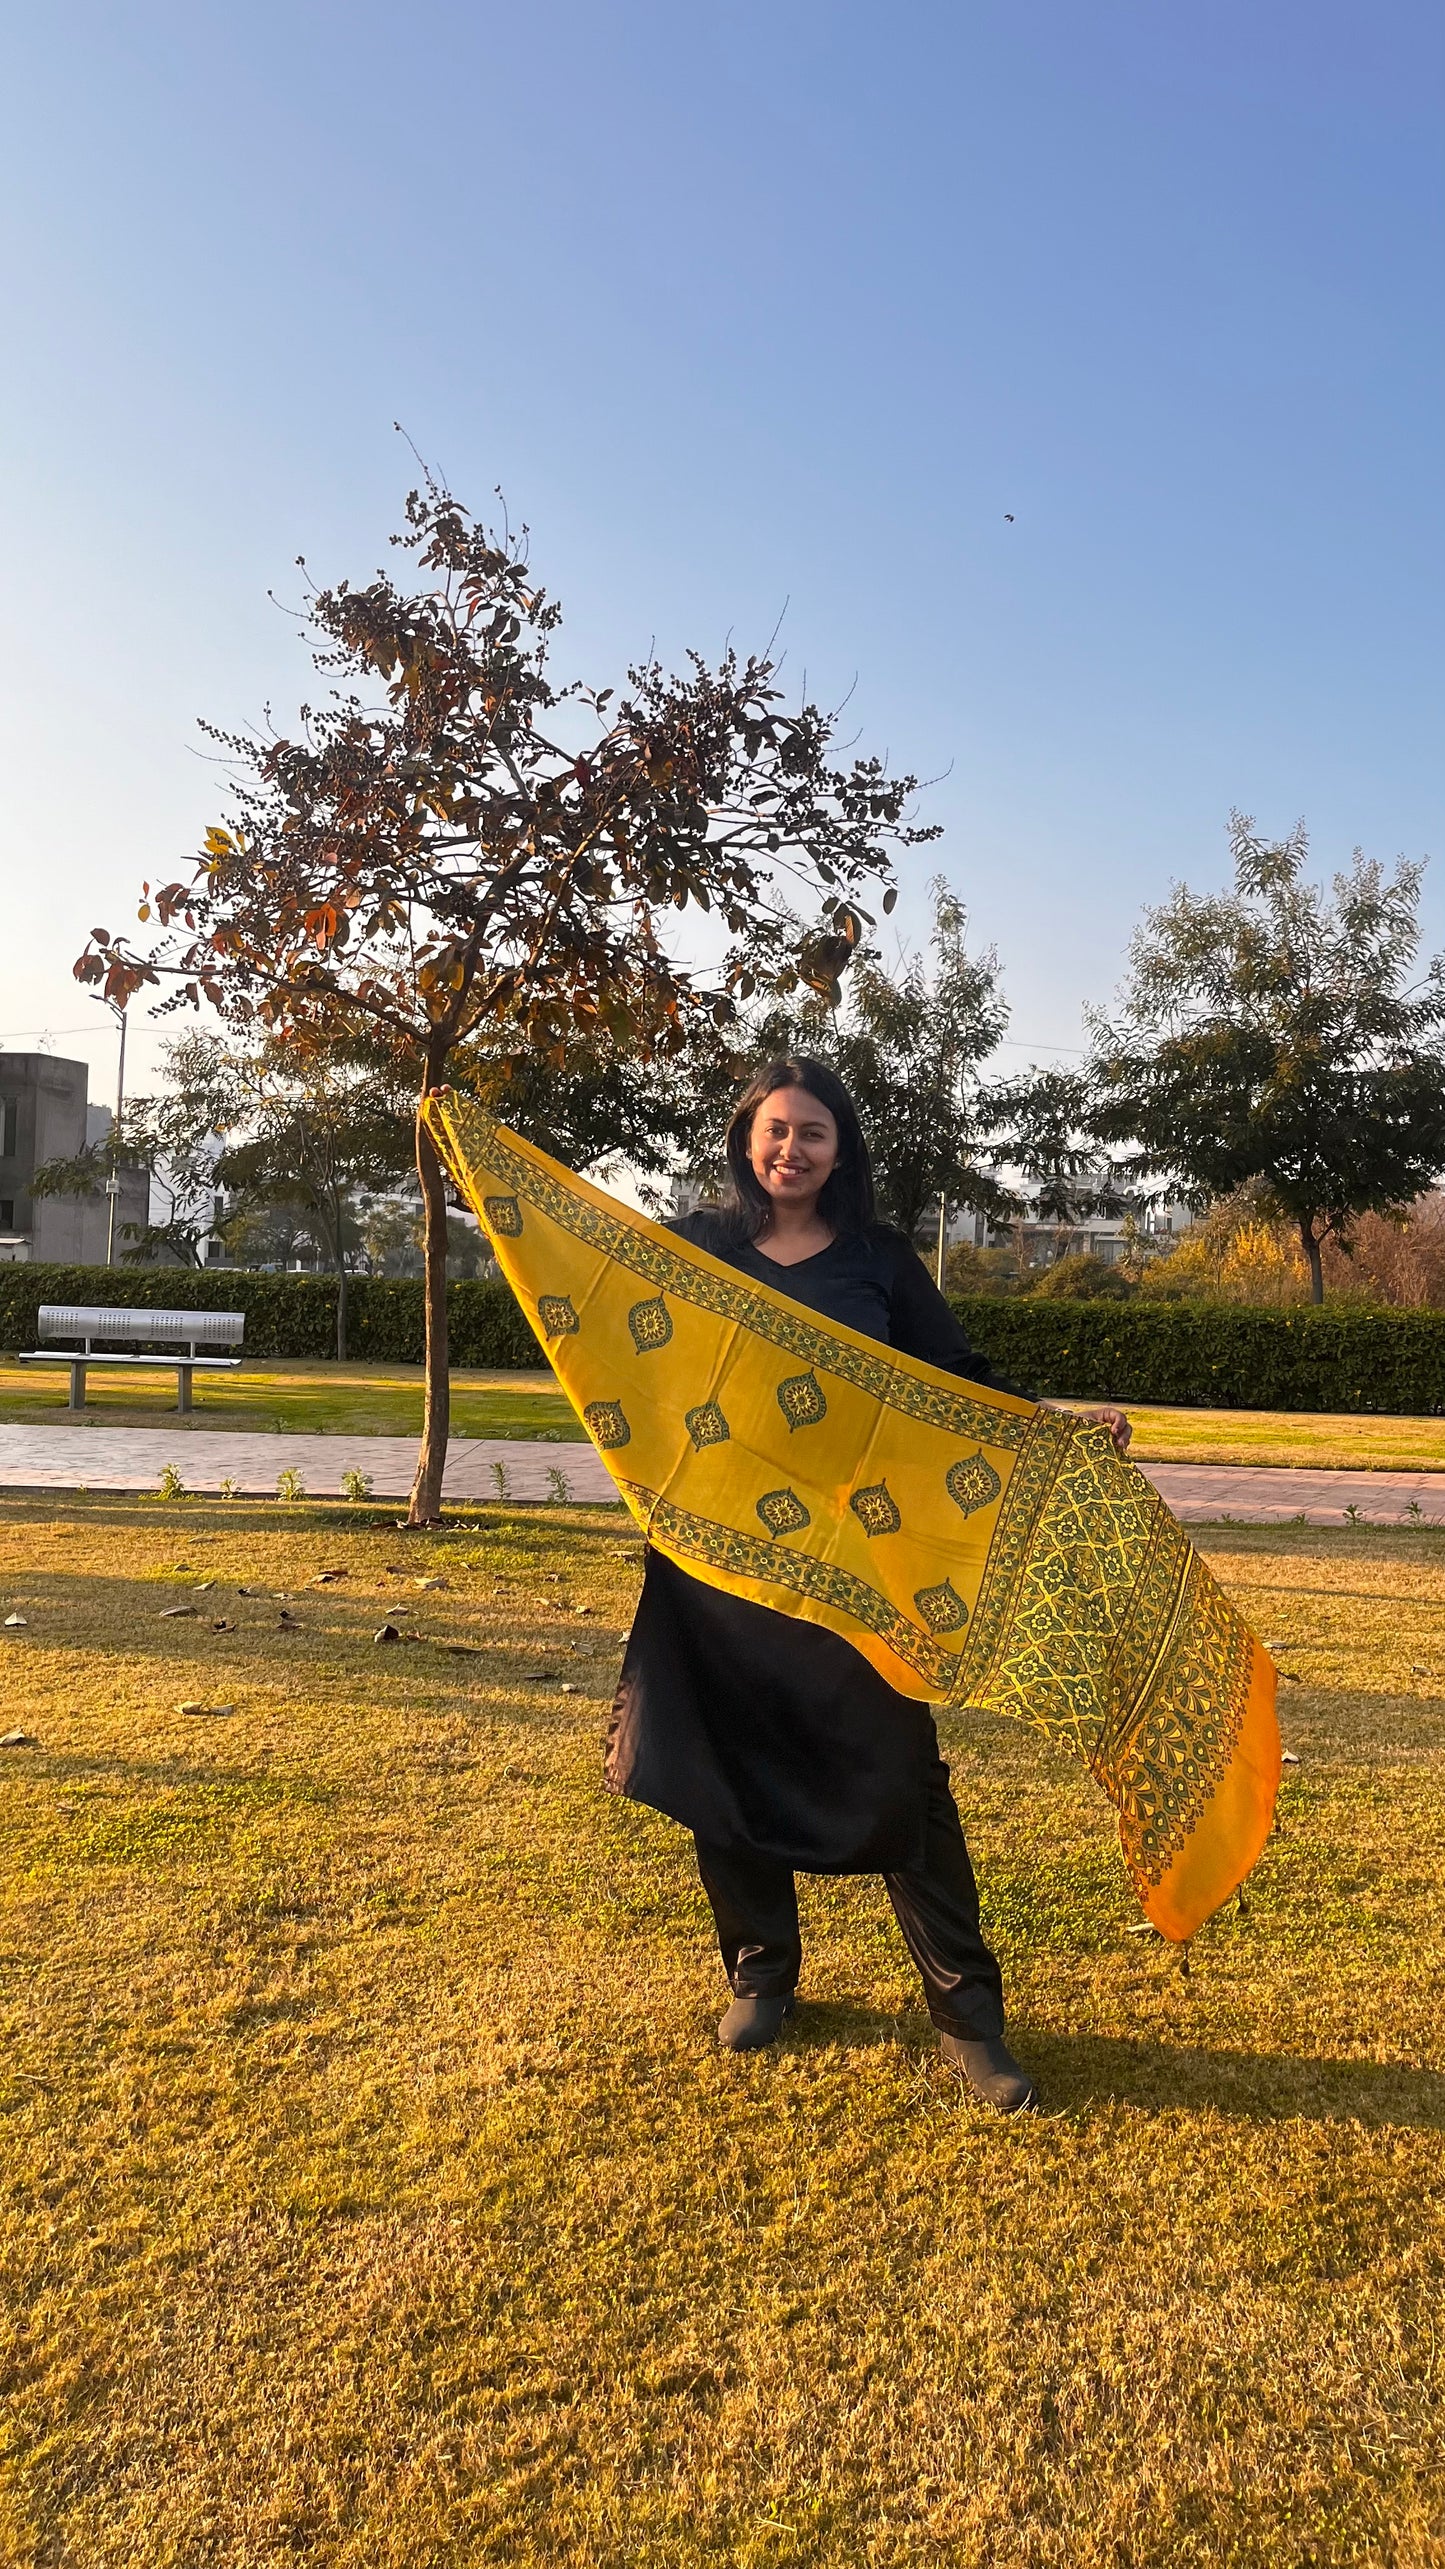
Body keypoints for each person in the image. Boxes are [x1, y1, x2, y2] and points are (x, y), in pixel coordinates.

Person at [606, 1057, 1131, 2113]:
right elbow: (609, 1322)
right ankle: (760, 1973)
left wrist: (1051, 1430)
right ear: (743, 1137)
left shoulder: (876, 1260)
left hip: (858, 1563)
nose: (787, 1148)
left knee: (905, 1780)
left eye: (810, 1133)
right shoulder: (697, 1249)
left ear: (839, 1151)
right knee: (722, 1765)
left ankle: (967, 2020)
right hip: (719, 1561)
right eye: (772, 1129)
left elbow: (952, 1382)